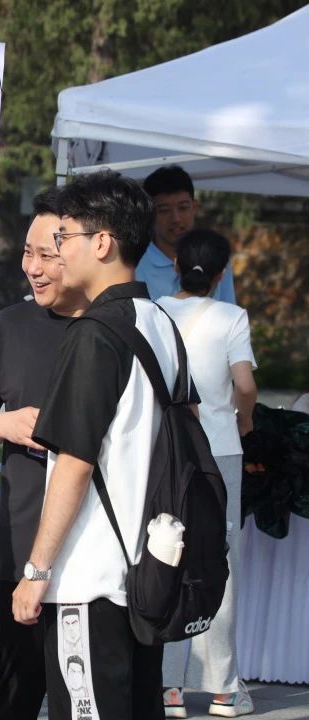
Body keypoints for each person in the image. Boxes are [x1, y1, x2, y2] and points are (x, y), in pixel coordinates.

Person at [13, 170, 187, 720]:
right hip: (149, 573)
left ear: (103, 243)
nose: (58, 251)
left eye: (64, 237)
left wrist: (36, 571)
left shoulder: (94, 333)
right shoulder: (162, 324)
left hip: (90, 579)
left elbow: (74, 463)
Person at [0, 186, 89, 719]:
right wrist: (3, 424)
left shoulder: (115, 329)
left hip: (96, 556)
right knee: (12, 697)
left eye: (47, 255)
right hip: (19, 547)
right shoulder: (10, 326)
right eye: (27, 253)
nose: (33, 268)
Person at [157, 229, 257, 718]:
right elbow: (245, 384)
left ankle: (168, 687)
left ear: (176, 265)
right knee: (220, 559)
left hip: (166, 450)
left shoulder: (154, 311)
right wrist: (245, 419)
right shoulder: (232, 317)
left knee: (166, 552)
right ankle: (222, 690)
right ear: (221, 274)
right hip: (220, 451)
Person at [137, 165, 235, 303]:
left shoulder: (217, 256)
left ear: (194, 207)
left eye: (183, 208)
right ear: (149, 214)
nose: (176, 219)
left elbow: (228, 308)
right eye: (164, 210)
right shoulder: (135, 262)